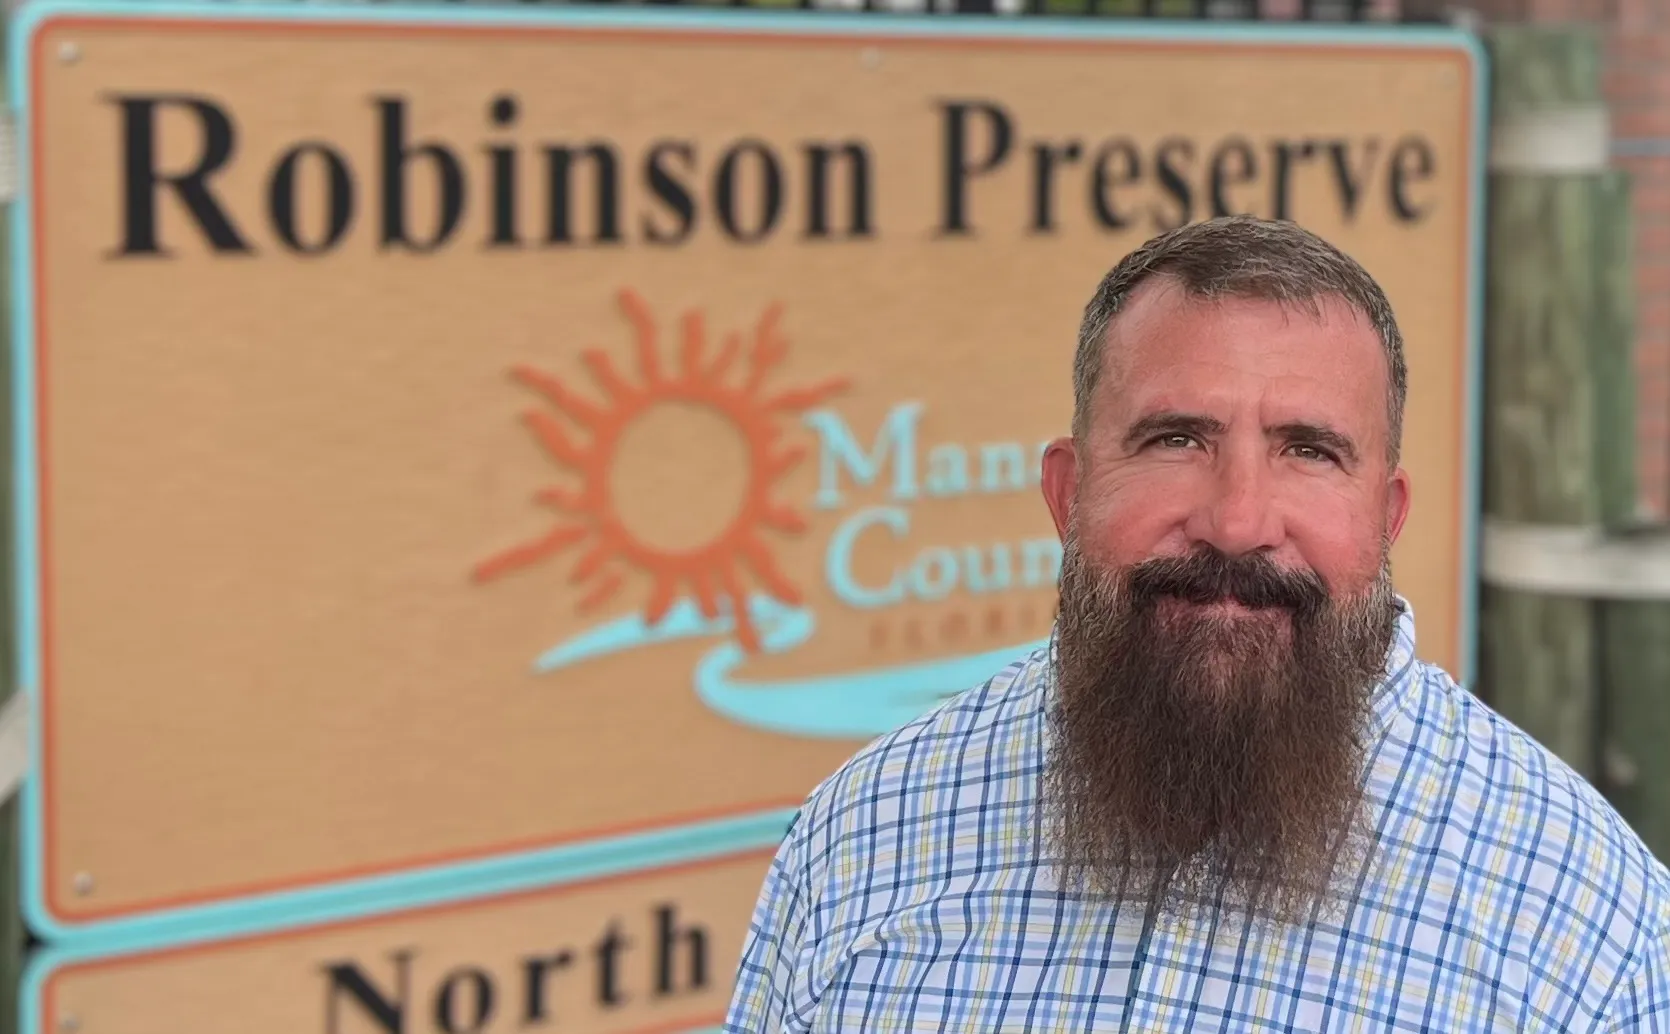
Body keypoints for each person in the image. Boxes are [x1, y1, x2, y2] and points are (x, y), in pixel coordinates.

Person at [721, 216, 1670, 1032]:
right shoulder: (866, 830)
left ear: (1386, 518)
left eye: (1309, 451)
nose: (1238, 520)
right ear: (1069, 492)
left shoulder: (1584, 928)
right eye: (1176, 439)